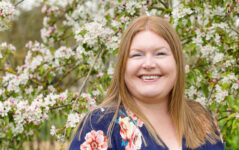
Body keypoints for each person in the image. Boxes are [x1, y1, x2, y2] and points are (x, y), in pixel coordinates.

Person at [69, 16, 224, 150]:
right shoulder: (101, 125)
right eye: (137, 55)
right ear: (123, 65)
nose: (148, 64)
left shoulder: (201, 119)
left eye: (160, 53)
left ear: (177, 62)